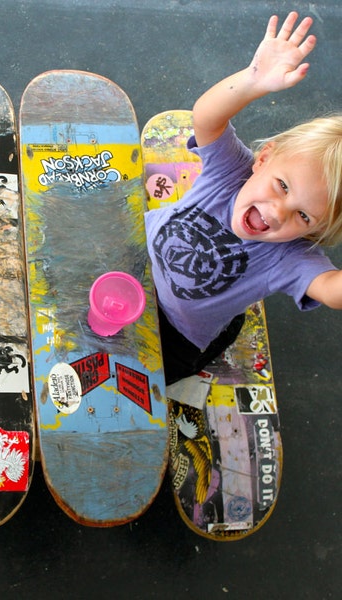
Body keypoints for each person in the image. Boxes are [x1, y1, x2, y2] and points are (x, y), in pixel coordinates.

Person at [144, 12, 342, 385]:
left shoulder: (290, 256)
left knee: (142, 381)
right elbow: (205, 118)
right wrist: (254, 80)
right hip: (139, 255)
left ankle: (222, 336)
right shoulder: (231, 170)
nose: (279, 211)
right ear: (263, 159)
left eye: (303, 216)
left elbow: (333, 291)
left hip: (176, 335)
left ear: (315, 230)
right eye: (283, 186)